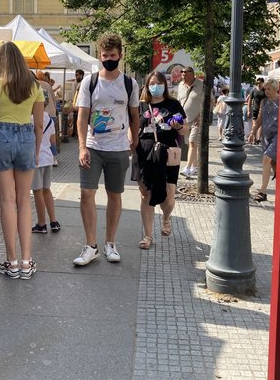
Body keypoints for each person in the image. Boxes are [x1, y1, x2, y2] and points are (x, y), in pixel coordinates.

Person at [74, 33, 139, 266]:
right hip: (93, 147)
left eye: (112, 55)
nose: (108, 59)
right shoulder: (89, 83)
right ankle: (91, 245)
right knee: (86, 194)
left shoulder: (130, 83)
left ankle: (110, 243)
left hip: (118, 148)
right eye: (104, 56)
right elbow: (82, 118)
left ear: (120, 55)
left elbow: (134, 115)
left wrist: (134, 138)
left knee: (114, 195)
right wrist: (82, 147)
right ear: (99, 56)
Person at [0, 41, 44, 279]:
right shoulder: (34, 86)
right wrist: (36, 149)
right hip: (27, 137)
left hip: (1, 138)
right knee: (24, 200)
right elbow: (39, 124)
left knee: (7, 200)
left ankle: (12, 261)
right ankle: (27, 260)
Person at [134, 71, 187, 249]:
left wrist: (179, 126)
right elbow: (132, 126)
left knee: (168, 197)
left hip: (168, 154)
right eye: (152, 83)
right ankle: (148, 236)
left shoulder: (173, 104)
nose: (155, 86)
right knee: (145, 194)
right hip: (144, 154)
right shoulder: (140, 105)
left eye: (159, 83)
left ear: (165, 85)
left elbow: (184, 129)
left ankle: (166, 216)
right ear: (147, 85)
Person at [31, 91, 60, 234]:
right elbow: (53, 141)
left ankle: (41, 224)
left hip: (36, 159)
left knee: (37, 191)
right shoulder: (49, 119)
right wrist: (54, 157)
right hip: (48, 157)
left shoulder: (31, 118)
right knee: (46, 189)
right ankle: (54, 221)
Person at [248, 79, 279, 202]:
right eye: (265, 89)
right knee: (273, 163)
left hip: (278, 135)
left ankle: (263, 191)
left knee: (266, 158)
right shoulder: (264, 101)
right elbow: (260, 118)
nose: (266, 91)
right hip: (266, 135)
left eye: (269, 89)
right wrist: (253, 132)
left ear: (276, 89)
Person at [177, 66, 203, 177]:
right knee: (190, 144)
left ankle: (187, 168)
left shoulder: (201, 85)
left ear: (192, 73)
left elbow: (210, 101)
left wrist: (201, 115)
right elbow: (179, 101)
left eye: (186, 72)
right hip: (184, 120)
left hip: (197, 120)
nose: (183, 74)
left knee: (192, 142)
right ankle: (195, 166)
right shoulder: (180, 85)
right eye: (182, 72)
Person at [246, 77, 265, 144]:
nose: (258, 84)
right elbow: (249, 101)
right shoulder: (253, 90)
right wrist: (249, 110)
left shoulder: (265, 90)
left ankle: (259, 139)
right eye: (257, 83)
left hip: (264, 110)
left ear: (263, 83)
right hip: (255, 109)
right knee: (254, 124)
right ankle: (254, 138)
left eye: (260, 83)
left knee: (261, 124)